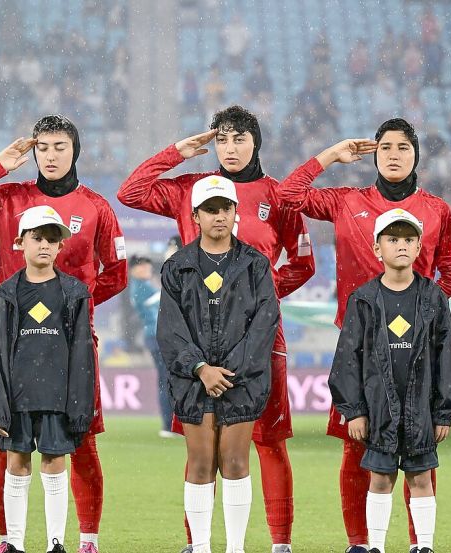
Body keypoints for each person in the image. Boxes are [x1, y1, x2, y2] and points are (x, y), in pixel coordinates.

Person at [118, 105, 313, 553]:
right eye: (221, 139)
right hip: (196, 341)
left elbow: (304, 263)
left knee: (269, 442)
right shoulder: (190, 189)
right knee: (200, 450)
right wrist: (176, 153)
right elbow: (131, 192)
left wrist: (257, 299)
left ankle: (280, 543)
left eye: (239, 138)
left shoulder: (279, 196)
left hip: (260, 339)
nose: (229, 148)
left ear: (256, 142)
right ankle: (198, 544)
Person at [0, 115, 127, 553]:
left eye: (60, 147)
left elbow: (116, 272)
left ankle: (88, 540)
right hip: (13, 341)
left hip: (72, 342)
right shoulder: (8, 200)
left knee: (81, 440)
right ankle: (9, 540)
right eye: (42, 148)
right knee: (6, 442)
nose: (50, 156)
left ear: (75, 151)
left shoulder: (95, 207)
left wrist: (72, 307)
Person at [279, 118, 451, 553]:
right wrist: (331, 155)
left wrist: (421, 312)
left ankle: (420, 543)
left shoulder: (437, 210)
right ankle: (360, 544)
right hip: (360, 349)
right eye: (385, 147)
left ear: (416, 155)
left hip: (415, 352)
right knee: (356, 447)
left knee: (419, 452)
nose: (394, 155)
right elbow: (288, 195)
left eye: (403, 147)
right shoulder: (348, 201)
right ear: (374, 155)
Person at [330, 209, 451, 553]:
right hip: (378, 410)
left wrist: (444, 412)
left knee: (421, 478)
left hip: (422, 408)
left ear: (419, 247)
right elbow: (348, 360)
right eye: (392, 239)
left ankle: (424, 546)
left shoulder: (433, 297)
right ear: (377, 248)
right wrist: (354, 410)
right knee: (380, 478)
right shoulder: (363, 299)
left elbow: (447, 356)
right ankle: (376, 546)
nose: (401, 245)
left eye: (408, 239)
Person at [156, 176, 280, 553]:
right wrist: (200, 368)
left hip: (242, 379)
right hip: (193, 381)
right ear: (195, 216)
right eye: (210, 210)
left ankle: (235, 548)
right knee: (200, 462)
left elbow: (265, 323)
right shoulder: (177, 266)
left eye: (225, 208)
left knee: (236, 461)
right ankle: (202, 547)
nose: (219, 216)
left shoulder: (255, 265)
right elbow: (170, 329)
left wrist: (228, 372)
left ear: (235, 212)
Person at [0, 206, 96, 553]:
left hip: (57, 396)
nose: (45, 245)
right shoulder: (6, 294)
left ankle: (55, 542)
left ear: (61, 246)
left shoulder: (74, 292)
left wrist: (79, 405)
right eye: (37, 237)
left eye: (52, 239)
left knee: (55, 463)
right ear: (20, 243)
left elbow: (82, 355)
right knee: (16, 463)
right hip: (18, 397)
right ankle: (14, 542)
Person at [128, 255, 175, 438]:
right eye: (142, 266)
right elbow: (168, 298)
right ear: (133, 270)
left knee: (166, 379)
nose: (146, 269)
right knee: (166, 380)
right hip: (158, 337)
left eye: (147, 265)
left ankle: (170, 423)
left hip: (155, 337)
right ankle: (169, 424)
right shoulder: (142, 288)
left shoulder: (142, 286)